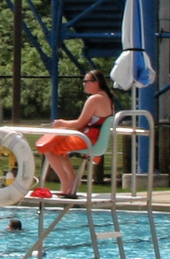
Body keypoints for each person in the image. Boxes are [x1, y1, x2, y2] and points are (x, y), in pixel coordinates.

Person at [36, 69, 115, 198]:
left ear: (96, 83)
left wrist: (62, 123)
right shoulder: (107, 97)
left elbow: (80, 123)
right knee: (60, 148)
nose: (84, 84)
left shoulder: (95, 99)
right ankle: (72, 180)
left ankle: (65, 181)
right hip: (93, 138)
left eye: (86, 81)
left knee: (48, 147)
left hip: (88, 139)